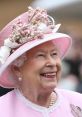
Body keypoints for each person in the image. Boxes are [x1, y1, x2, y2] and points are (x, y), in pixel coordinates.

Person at [0, 7, 82, 117]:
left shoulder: (78, 102)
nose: (52, 63)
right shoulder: (3, 109)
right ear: (17, 68)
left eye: (54, 54)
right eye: (41, 55)